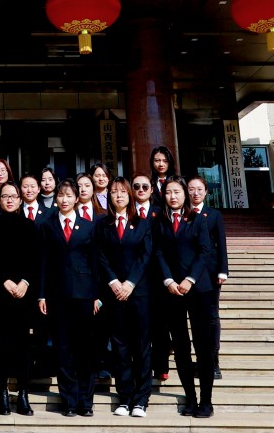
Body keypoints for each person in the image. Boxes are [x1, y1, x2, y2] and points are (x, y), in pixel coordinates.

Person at [38, 179, 100, 417]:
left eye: (69, 195)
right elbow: (43, 262)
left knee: (85, 350)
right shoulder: (48, 225)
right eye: (61, 195)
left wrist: (96, 296)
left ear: (77, 198)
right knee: (63, 350)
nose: (64, 200)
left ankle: (86, 402)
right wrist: (41, 294)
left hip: (85, 295)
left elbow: (95, 263)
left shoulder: (89, 226)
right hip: (57, 295)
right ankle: (69, 402)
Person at [156, 177, 218, 418]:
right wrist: (169, 281)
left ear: (185, 194)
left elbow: (205, 251)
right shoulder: (160, 221)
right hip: (172, 291)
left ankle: (206, 401)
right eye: (168, 192)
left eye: (177, 192)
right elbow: (158, 253)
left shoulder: (197, 219)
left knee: (203, 346)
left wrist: (189, 279)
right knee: (181, 347)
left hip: (198, 289)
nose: (172, 196)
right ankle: (190, 398)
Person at [98, 178, 153, 417]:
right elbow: (100, 256)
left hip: (138, 293)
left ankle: (141, 399)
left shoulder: (142, 223)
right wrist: (114, 282)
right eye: (113, 192)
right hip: (114, 294)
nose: (118, 195)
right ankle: (125, 397)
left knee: (141, 346)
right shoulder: (103, 225)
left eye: (122, 191)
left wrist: (130, 283)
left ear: (130, 195)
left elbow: (146, 255)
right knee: (120, 347)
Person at [0, 181, 40, 416]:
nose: (9, 200)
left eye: (13, 196)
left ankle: (24, 393)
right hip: (0, 293)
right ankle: (3, 392)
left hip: (23, 294)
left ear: (20, 200)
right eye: (5, 196)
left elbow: (35, 259)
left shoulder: (29, 226)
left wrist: (25, 282)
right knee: (2, 345)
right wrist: (4, 280)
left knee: (22, 346)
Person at [187, 177, 229, 379]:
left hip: (210, 273)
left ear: (206, 192)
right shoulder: (183, 214)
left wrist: (223, 270)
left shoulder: (213, 214)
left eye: (199, 189)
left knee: (211, 316)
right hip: (188, 272)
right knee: (195, 318)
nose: (195, 193)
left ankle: (213, 362)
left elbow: (221, 243)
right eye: (191, 189)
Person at [132, 175, 170, 381]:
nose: (140, 189)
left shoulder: (159, 212)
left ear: (151, 190)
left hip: (157, 275)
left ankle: (161, 365)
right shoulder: (128, 213)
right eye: (136, 186)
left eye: (145, 186)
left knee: (160, 323)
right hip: (134, 276)